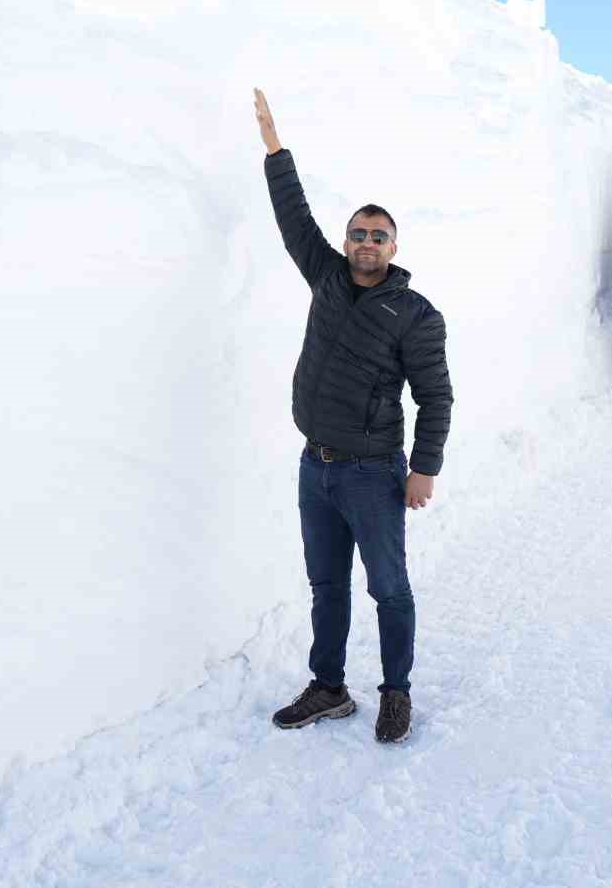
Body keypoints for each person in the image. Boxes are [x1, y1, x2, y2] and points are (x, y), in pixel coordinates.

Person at [253, 88, 453, 744]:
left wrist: (423, 469)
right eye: (358, 233)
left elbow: (435, 396)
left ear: (394, 245)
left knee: (388, 588)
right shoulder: (328, 278)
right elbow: (293, 217)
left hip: (373, 472)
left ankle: (396, 692)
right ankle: (330, 688)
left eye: (379, 235)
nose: (366, 242)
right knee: (326, 586)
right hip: (317, 465)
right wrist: (275, 149)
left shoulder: (416, 313)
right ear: (347, 241)